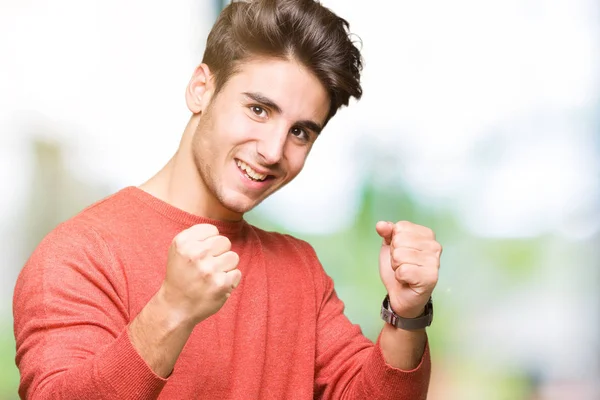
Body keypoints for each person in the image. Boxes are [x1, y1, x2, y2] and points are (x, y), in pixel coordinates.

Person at [13, 0, 442, 399]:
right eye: (258, 109)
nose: (273, 151)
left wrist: (406, 315)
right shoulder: (78, 255)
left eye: (300, 132)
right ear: (201, 89)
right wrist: (170, 312)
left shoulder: (300, 271)